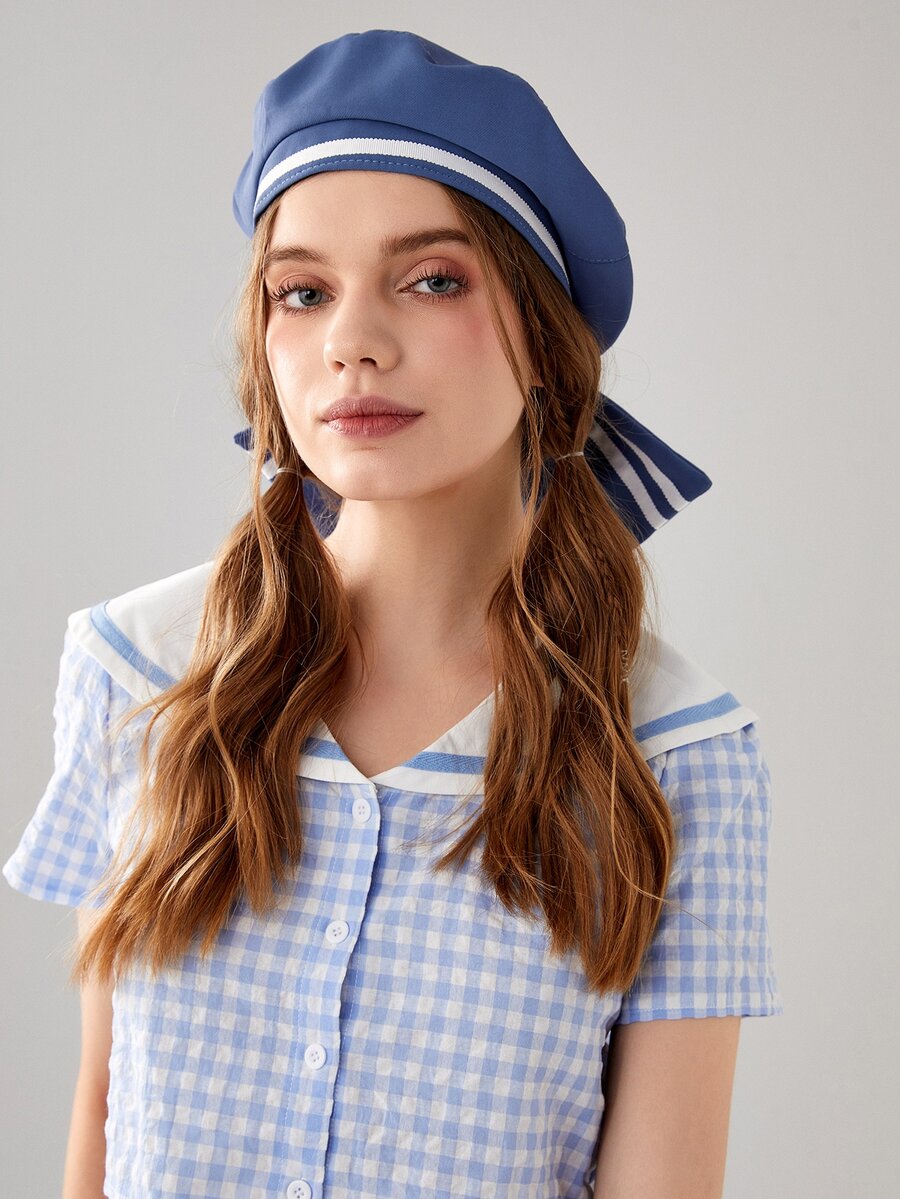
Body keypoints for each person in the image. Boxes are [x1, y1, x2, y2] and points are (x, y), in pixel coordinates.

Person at [2, 28, 783, 1199]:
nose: (352, 343)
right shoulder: (140, 673)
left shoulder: (674, 753)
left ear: (544, 338)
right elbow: (104, 1121)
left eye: (432, 280)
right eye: (303, 292)